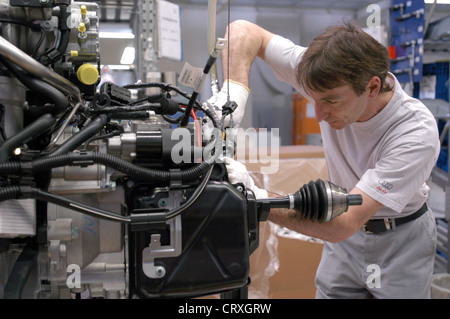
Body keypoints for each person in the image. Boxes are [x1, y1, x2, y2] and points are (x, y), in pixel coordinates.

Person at [210, 20, 441, 299]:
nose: (318, 115)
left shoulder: (414, 132)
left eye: (331, 101)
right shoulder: (321, 73)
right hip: (346, 241)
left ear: (372, 87)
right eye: (313, 98)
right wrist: (235, 92)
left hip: (400, 242)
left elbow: (343, 225)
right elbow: (244, 30)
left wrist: (256, 197)